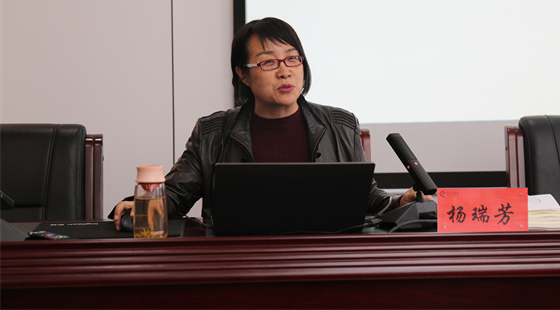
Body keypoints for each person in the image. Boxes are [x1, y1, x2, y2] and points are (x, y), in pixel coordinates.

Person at [113, 17, 430, 230]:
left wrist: (400, 202)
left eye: (292, 58)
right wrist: (139, 205)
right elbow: (175, 196)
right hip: (237, 262)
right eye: (268, 62)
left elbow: (368, 199)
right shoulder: (213, 133)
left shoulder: (341, 125)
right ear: (243, 74)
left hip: (324, 260)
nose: (285, 71)